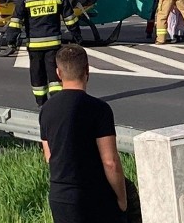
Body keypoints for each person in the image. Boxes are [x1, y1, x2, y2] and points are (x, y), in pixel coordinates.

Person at [40, 44, 127, 223]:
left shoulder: (46, 109)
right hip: (94, 196)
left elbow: (49, 156)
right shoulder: (99, 109)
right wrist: (122, 199)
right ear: (87, 70)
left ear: (58, 73)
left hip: (60, 197)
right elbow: (110, 162)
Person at [6, 0, 82, 107]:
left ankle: (42, 104)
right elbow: (70, 18)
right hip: (54, 44)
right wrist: (77, 36)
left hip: (34, 46)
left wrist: (11, 40)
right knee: (54, 75)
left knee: (37, 75)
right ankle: (58, 103)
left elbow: (16, 21)